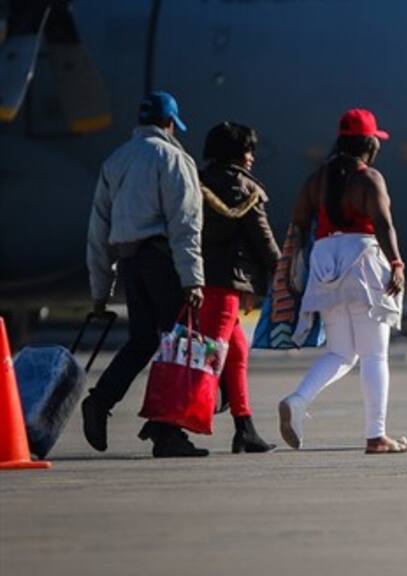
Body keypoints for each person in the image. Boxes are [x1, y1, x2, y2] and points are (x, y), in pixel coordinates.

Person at [84, 91, 208, 458]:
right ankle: (167, 432)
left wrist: (100, 292)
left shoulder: (115, 161)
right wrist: (193, 278)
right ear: (170, 124)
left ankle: (101, 400)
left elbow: (98, 230)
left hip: (132, 264)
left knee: (142, 340)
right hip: (161, 260)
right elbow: (185, 223)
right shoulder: (172, 158)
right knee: (180, 343)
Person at [278, 108, 407, 454]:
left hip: (325, 260)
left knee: (340, 352)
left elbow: (297, 223)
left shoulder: (317, 179)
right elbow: (383, 223)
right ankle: (376, 435)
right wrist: (395, 261)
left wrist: (289, 267)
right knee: (375, 356)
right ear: (369, 144)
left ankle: (298, 399)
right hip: (362, 259)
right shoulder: (369, 179)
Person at [197, 121, 281, 453]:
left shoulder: (199, 183)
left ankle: (244, 427)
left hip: (209, 280)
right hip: (225, 282)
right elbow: (262, 238)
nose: (251, 158)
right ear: (235, 153)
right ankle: (165, 426)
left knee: (235, 353)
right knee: (210, 355)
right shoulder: (242, 189)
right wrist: (283, 270)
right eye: (247, 150)